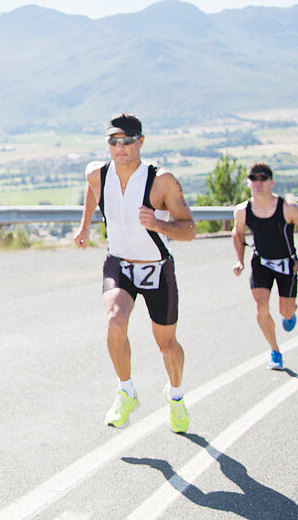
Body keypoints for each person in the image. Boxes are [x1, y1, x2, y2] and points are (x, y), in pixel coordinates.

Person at [73, 114, 196, 433]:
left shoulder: (161, 181)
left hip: (156, 267)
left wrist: (158, 224)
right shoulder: (97, 173)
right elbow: (92, 188)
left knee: (166, 344)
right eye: (113, 142)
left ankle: (177, 397)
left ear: (140, 141)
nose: (120, 147)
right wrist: (85, 225)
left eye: (127, 141)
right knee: (115, 321)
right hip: (119, 264)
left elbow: (190, 230)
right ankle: (126, 391)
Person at [231, 163, 298, 370]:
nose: (258, 182)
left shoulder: (288, 208)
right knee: (261, 308)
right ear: (249, 182)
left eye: (263, 178)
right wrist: (240, 260)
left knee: (284, 312)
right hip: (261, 263)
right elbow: (237, 233)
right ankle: (275, 351)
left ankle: (290, 311)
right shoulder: (242, 211)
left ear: (271, 182)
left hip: (286, 263)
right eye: (253, 178)